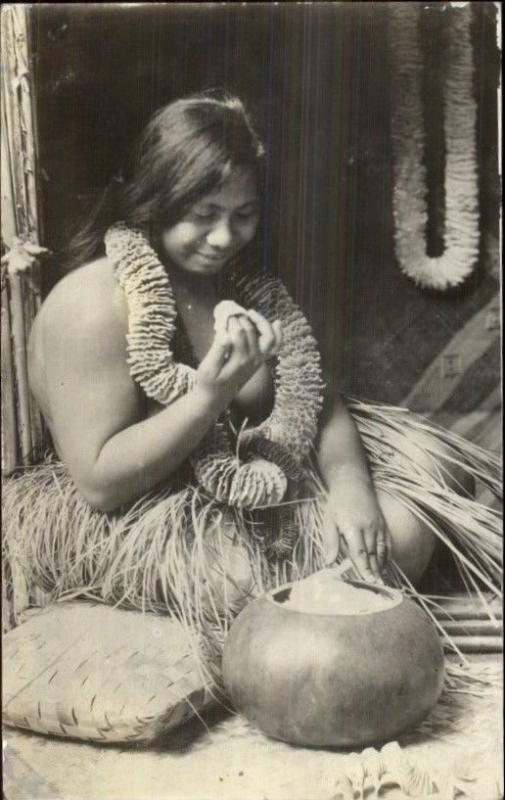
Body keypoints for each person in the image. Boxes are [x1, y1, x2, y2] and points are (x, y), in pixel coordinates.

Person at [4, 91, 500, 654]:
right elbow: (99, 482)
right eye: (203, 217)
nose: (223, 239)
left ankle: (315, 606)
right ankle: (299, 625)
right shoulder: (93, 305)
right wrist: (211, 396)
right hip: (141, 510)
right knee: (268, 570)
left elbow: (318, 396)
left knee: (429, 484)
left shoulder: (236, 284)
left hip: (256, 483)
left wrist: (350, 485)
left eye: (242, 216)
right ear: (153, 201)